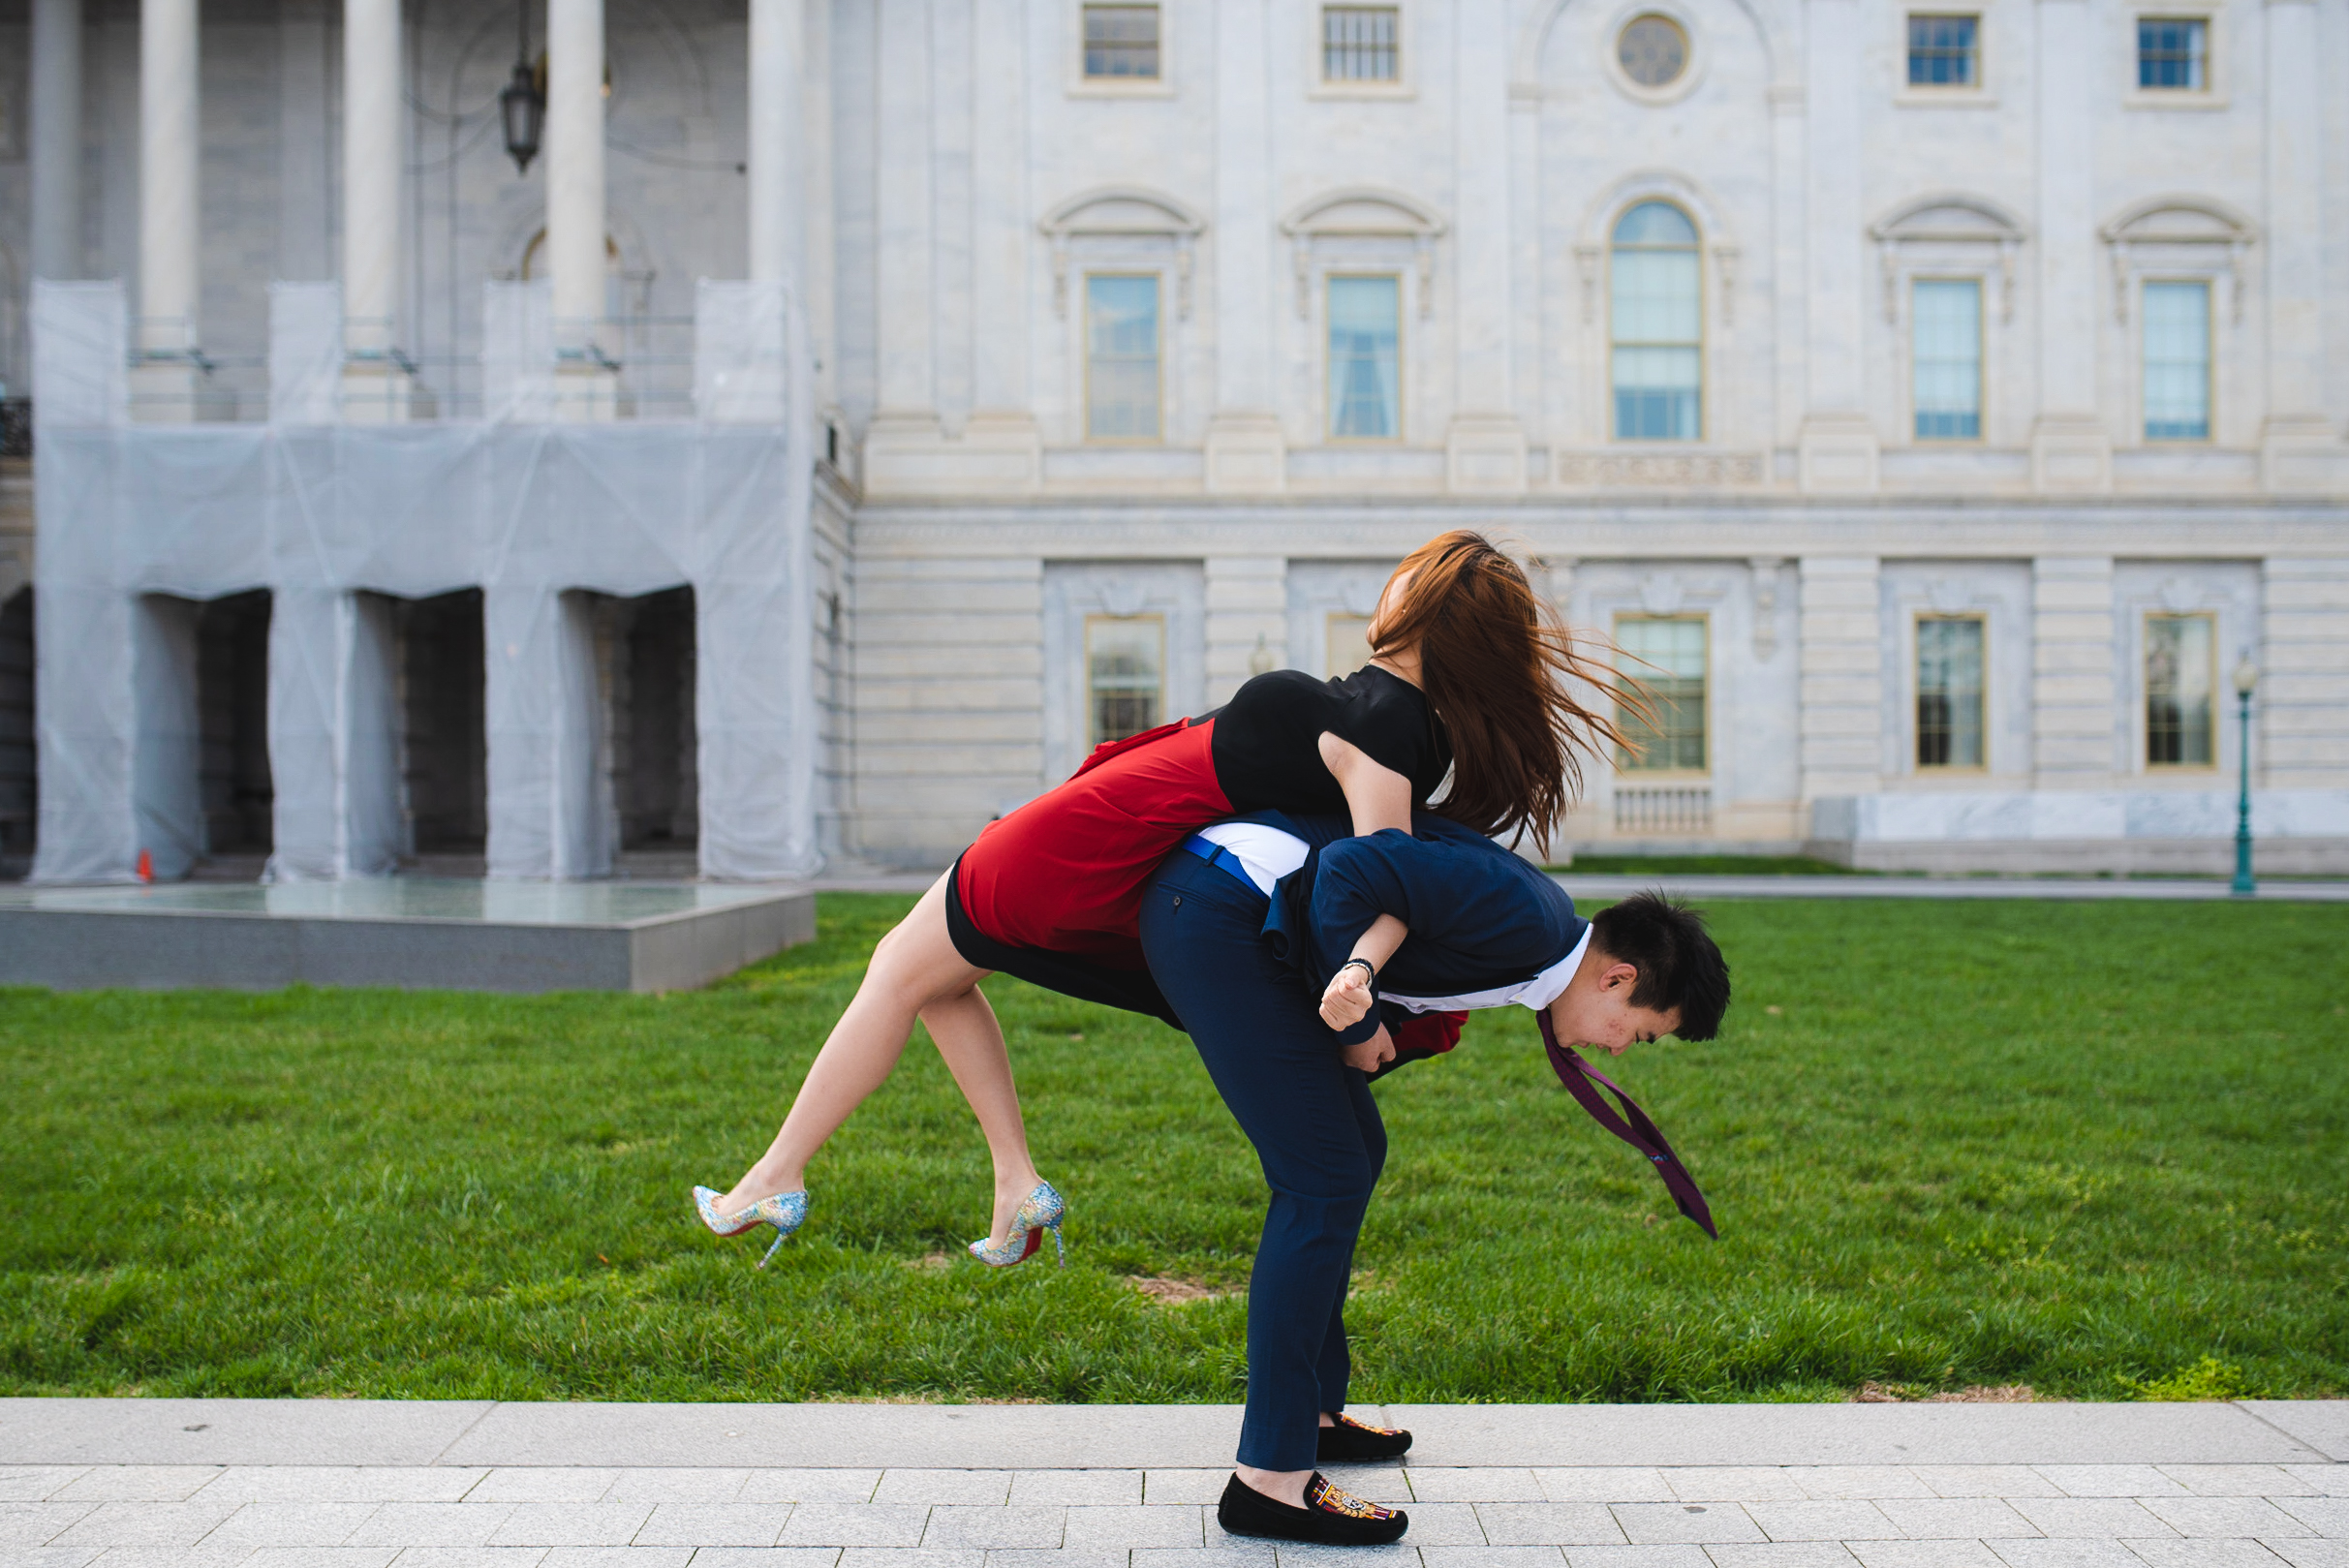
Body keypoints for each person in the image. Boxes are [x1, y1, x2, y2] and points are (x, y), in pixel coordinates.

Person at [695, 532, 1632, 1265]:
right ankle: (1010, 1181)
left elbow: (1381, 874)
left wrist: (1357, 1015)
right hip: (1102, 824)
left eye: (1408, 577)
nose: (1387, 587)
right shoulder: (1396, 718)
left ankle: (777, 1176)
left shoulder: (1386, 727)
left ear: (1424, 607)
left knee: (900, 970)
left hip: (1089, 838)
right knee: (929, 976)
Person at [1138, 809, 1730, 1545]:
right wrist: (1354, 1021)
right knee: (1322, 1179)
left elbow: (1401, 888)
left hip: (1231, 907)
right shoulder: (1528, 921)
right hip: (1218, 906)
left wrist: (1358, 998)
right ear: (1617, 977)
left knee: (1355, 1150)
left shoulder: (1534, 947)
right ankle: (1269, 1480)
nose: (1617, 1048)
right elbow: (1355, 865)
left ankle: (1313, 1416)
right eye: (1635, 1032)